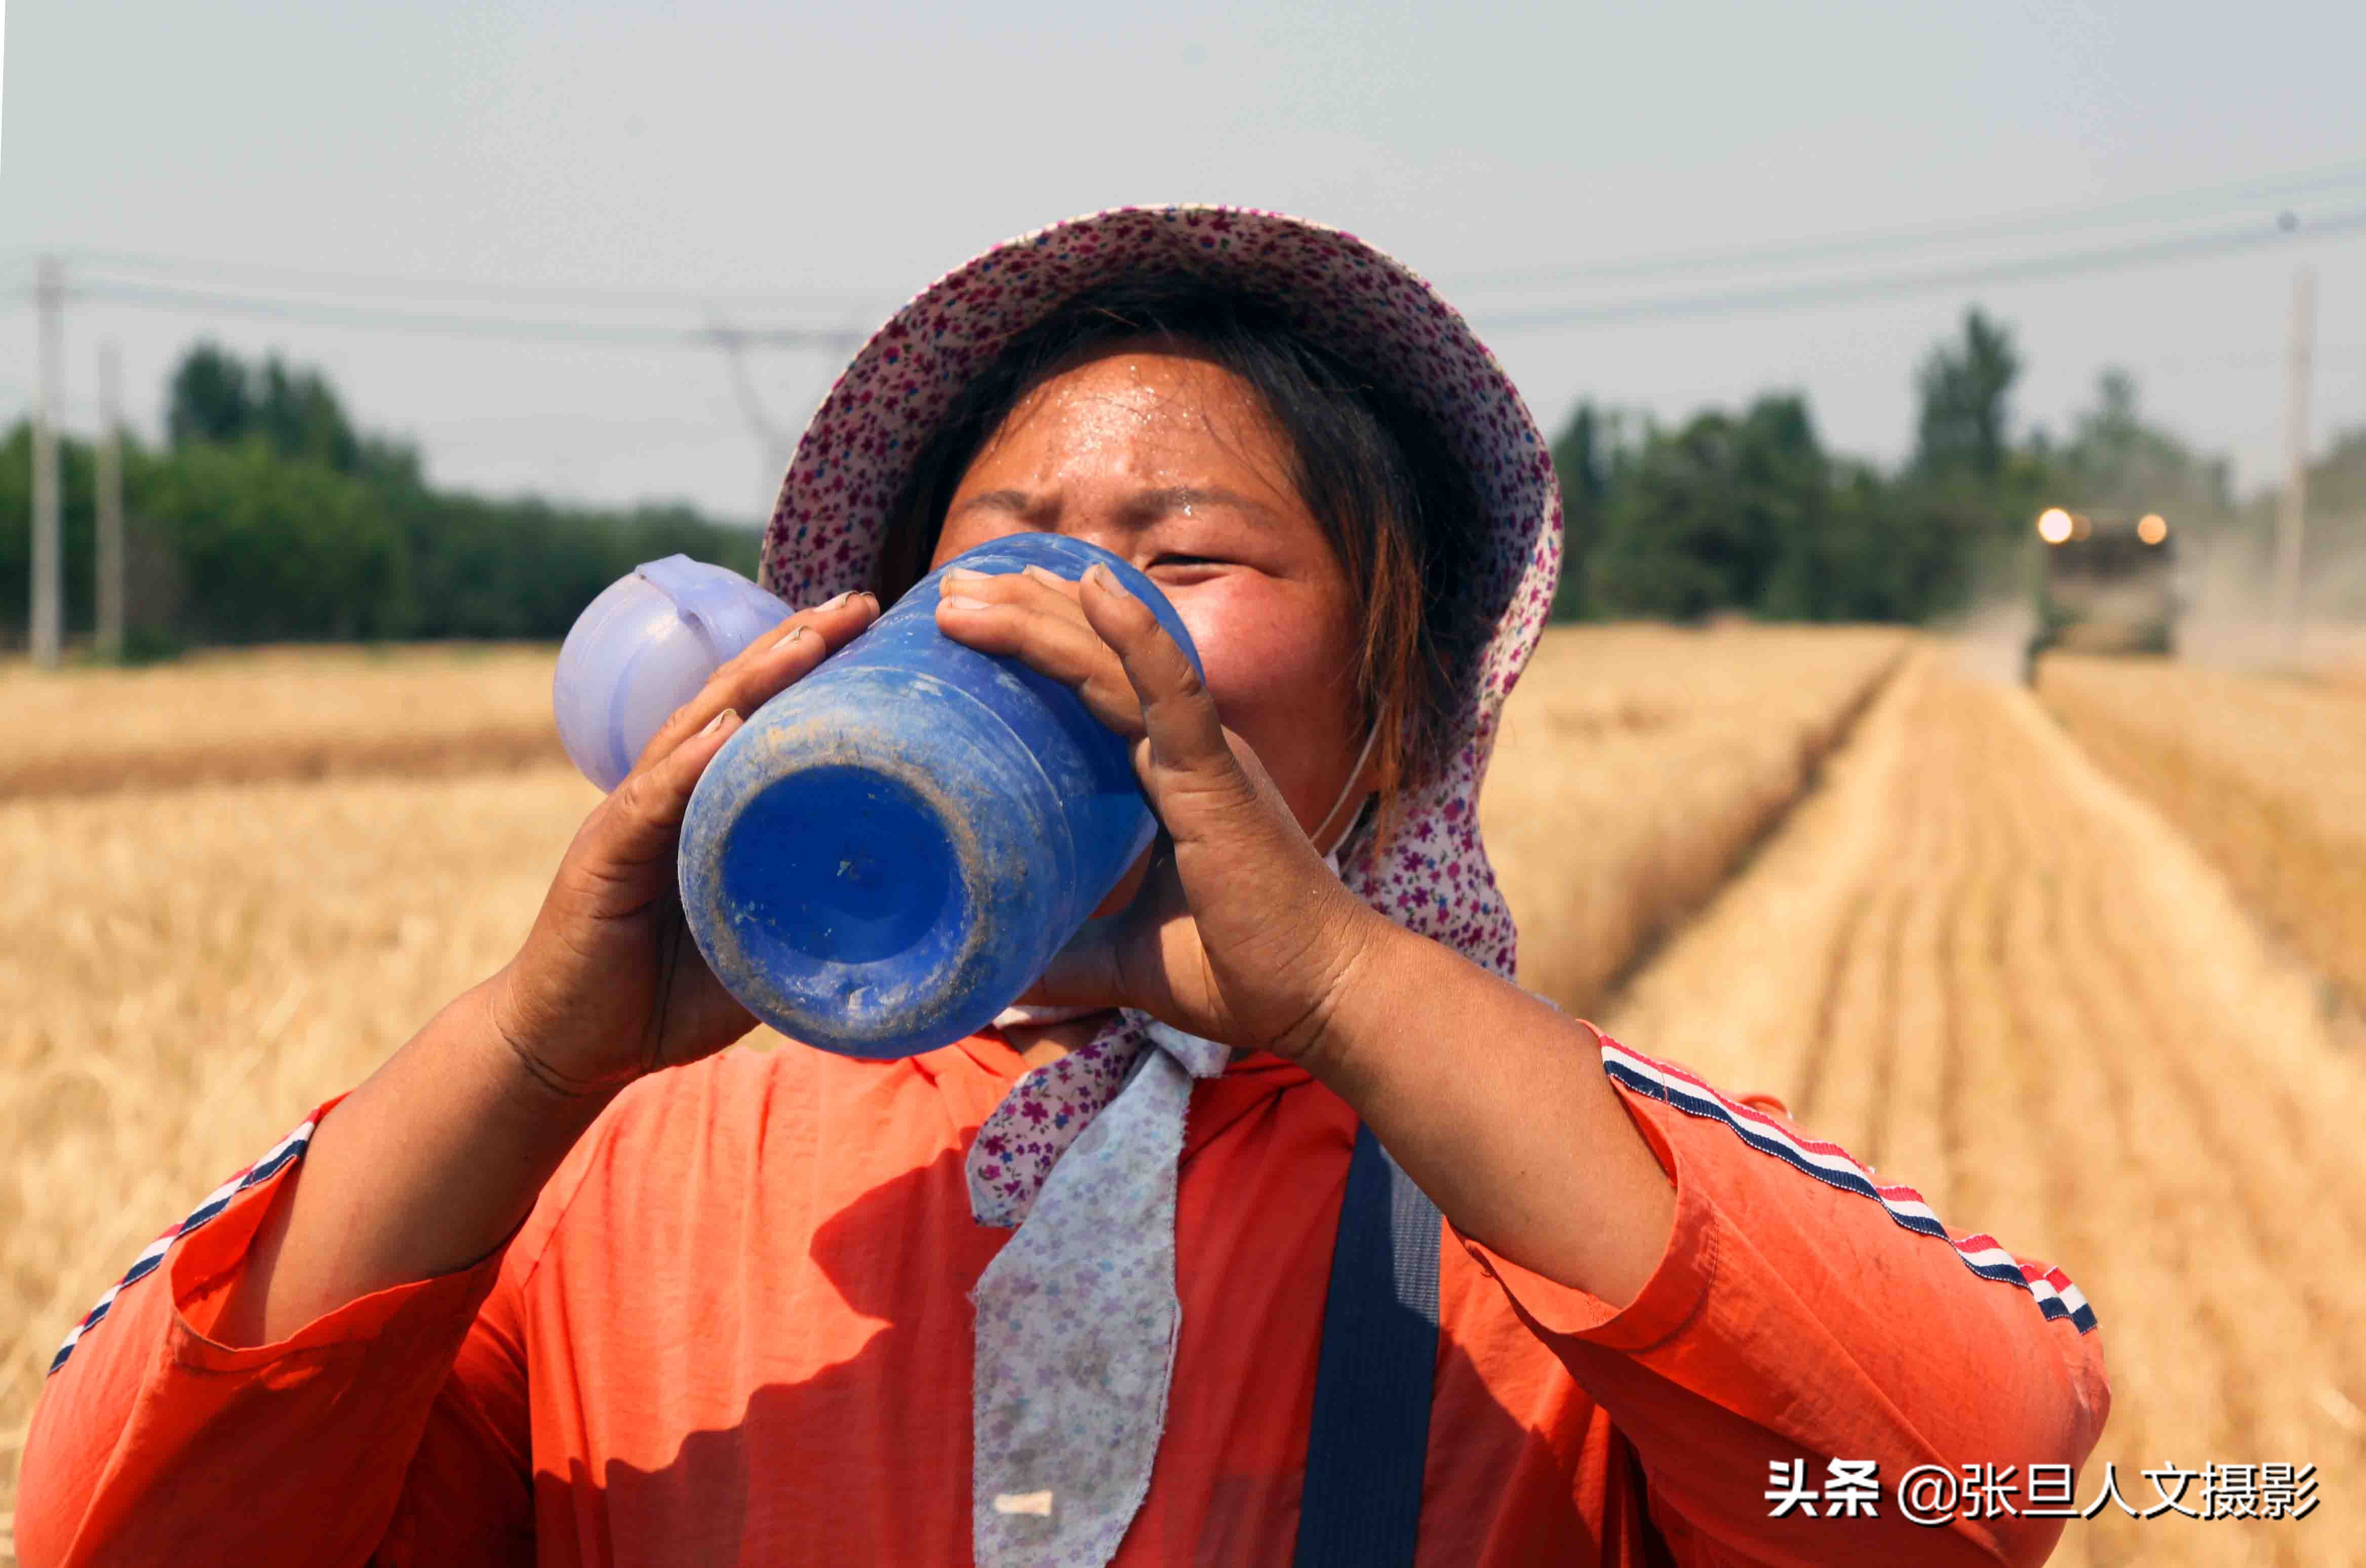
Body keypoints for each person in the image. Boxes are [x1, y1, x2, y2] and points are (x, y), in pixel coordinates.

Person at [18, 207, 2106, 1567]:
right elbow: (116, 1528)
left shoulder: (1520, 1182)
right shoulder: (626, 1181)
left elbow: (1982, 1479)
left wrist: (1337, 987)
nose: (1049, 622)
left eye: (1177, 561)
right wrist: (536, 1048)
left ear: (1395, 712)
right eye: (990, 555)